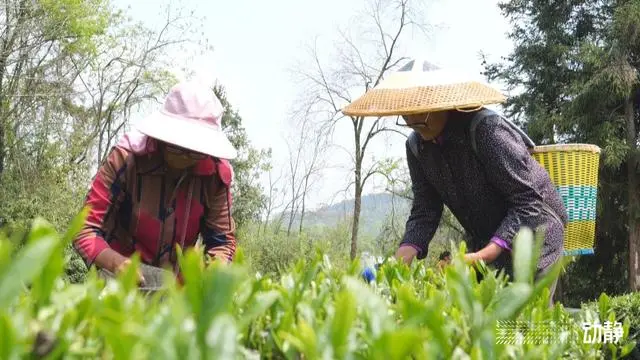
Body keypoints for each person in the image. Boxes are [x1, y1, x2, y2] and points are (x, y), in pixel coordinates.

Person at [342, 59, 568, 306]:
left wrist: (483, 255)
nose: (413, 120)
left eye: (421, 110)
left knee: (524, 329)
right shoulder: (417, 147)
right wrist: (397, 263)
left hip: (535, 240)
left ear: (443, 103)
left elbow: (528, 200)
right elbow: (425, 210)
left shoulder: (487, 132)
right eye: (406, 112)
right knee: (485, 328)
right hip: (487, 243)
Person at [73, 81, 238, 286]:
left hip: (176, 289)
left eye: (195, 151)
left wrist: (212, 273)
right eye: (179, 147)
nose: (186, 156)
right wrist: (116, 263)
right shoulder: (126, 160)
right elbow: (84, 229)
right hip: (118, 282)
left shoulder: (215, 176)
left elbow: (222, 242)